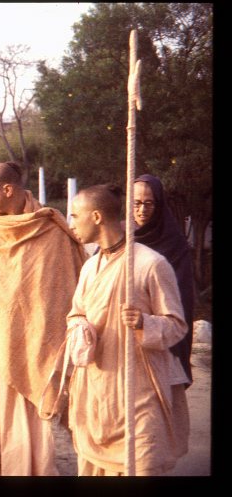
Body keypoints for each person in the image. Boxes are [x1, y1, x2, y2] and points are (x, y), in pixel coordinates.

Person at [0, 161, 86, 475]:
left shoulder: (50, 228)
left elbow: (65, 285)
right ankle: (4, 468)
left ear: (8, 189)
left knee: (28, 425)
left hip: (32, 345)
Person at [67, 184, 190, 475]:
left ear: (96, 217)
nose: (71, 223)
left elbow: (177, 325)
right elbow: (75, 314)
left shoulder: (150, 264)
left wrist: (145, 323)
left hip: (140, 393)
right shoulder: (89, 267)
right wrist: (81, 328)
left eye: (75, 215)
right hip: (98, 392)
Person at [134, 174, 194, 386]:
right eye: (137, 203)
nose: (142, 210)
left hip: (161, 336)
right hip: (128, 338)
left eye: (149, 203)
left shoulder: (175, 243)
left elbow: (182, 297)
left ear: (159, 205)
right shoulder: (122, 239)